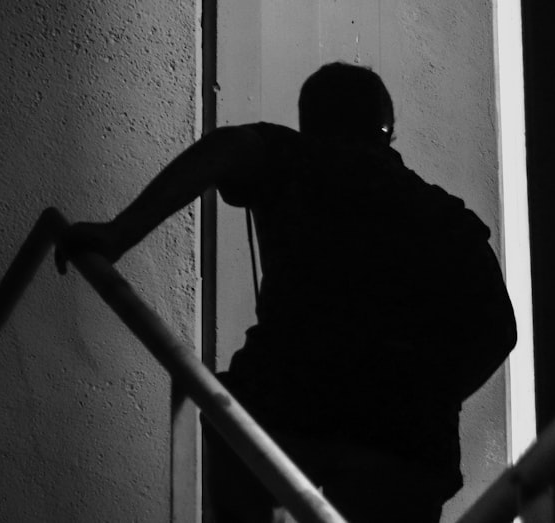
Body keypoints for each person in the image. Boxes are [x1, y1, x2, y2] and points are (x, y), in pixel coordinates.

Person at [56, 62, 517, 522]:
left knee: (230, 426)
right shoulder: (446, 217)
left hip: (288, 401)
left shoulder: (296, 158)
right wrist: (428, 394)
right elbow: (499, 331)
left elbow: (228, 147)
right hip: (407, 441)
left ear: (307, 120)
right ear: (387, 128)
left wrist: (121, 234)